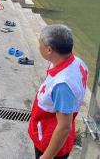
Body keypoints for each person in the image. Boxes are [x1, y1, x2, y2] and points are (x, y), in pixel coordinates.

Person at [28, 25, 88, 159]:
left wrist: (47, 156)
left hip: (50, 141)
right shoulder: (77, 62)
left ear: (49, 49)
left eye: (40, 43)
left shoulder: (63, 85)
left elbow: (64, 127)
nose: (39, 47)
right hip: (46, 128)